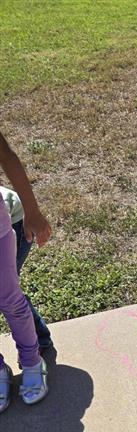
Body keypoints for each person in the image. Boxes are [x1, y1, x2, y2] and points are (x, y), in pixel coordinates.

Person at [0, 131, 52, 412]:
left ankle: (33, 361)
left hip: (4, 224)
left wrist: (33, 212)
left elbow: (6, 155)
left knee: (9, 298)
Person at [1, 185, 53, 352]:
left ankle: (39, 341)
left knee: (7, 291)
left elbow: (8, 159)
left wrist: (33, 213)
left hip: (13, 222)